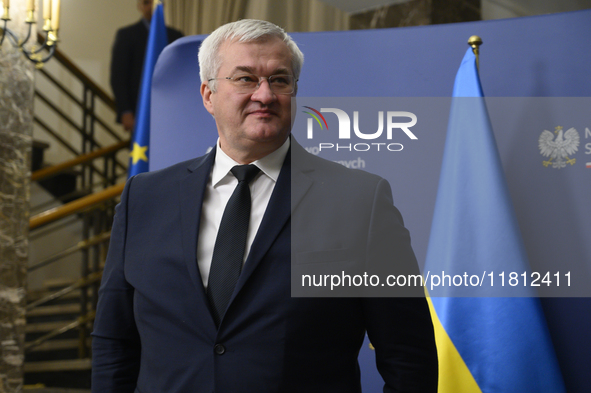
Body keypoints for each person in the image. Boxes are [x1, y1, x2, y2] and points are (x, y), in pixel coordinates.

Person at [92, 19, 438, 392]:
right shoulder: (144, 198)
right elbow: (115, 342)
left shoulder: (361, 200)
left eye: (279, 80)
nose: (265, 95)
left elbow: (409, 355)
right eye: (245, 79)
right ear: (208, 95)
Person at [110, 0, 183, 131]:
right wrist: (126, 111)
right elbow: (118, 77)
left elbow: (181, 76)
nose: (152, 7)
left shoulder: (175, 36)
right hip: (138, 110)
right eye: (147, 2)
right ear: (140, 6)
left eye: (156, 2)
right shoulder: (127, 35)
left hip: (169, 110)